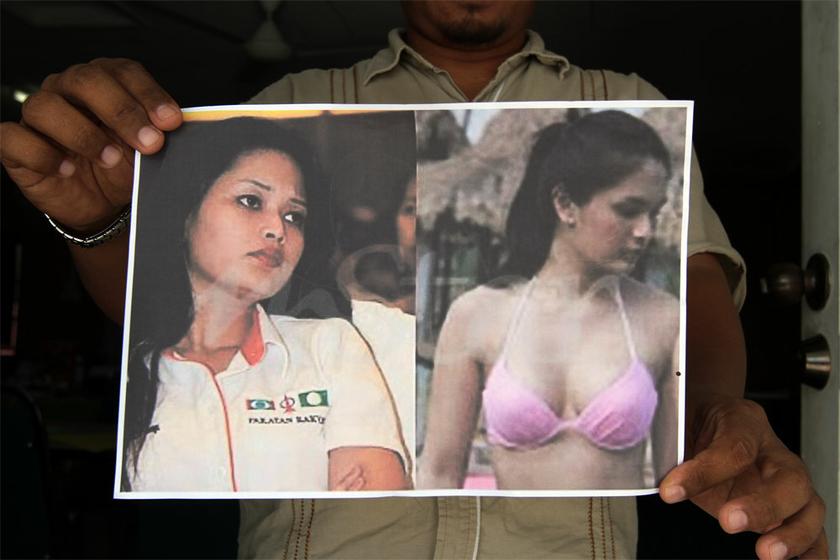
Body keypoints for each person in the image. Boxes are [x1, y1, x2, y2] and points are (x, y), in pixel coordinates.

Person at [0, 1, 826, 558]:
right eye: (259, 206)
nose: (275, 226)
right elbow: (166, 317)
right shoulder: (294, 103)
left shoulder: (621, 106)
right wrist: (97, 224)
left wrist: (723, 412)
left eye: (290, 213)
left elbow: (700, 294)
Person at [121, 116, 408, 492]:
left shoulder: (329, 346)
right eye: (250, 201)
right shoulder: (134, 364)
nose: (278, 228)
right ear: (186, 213)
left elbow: (369, 517)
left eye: (294, 216)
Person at [419, 111, 680, 491]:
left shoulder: (664, 319)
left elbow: (675, 484)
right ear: (565, 204)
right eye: (627, 210)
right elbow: (439, 474)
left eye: (653, 214)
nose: (645, 231)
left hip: (614, 545)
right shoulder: (477, 315)